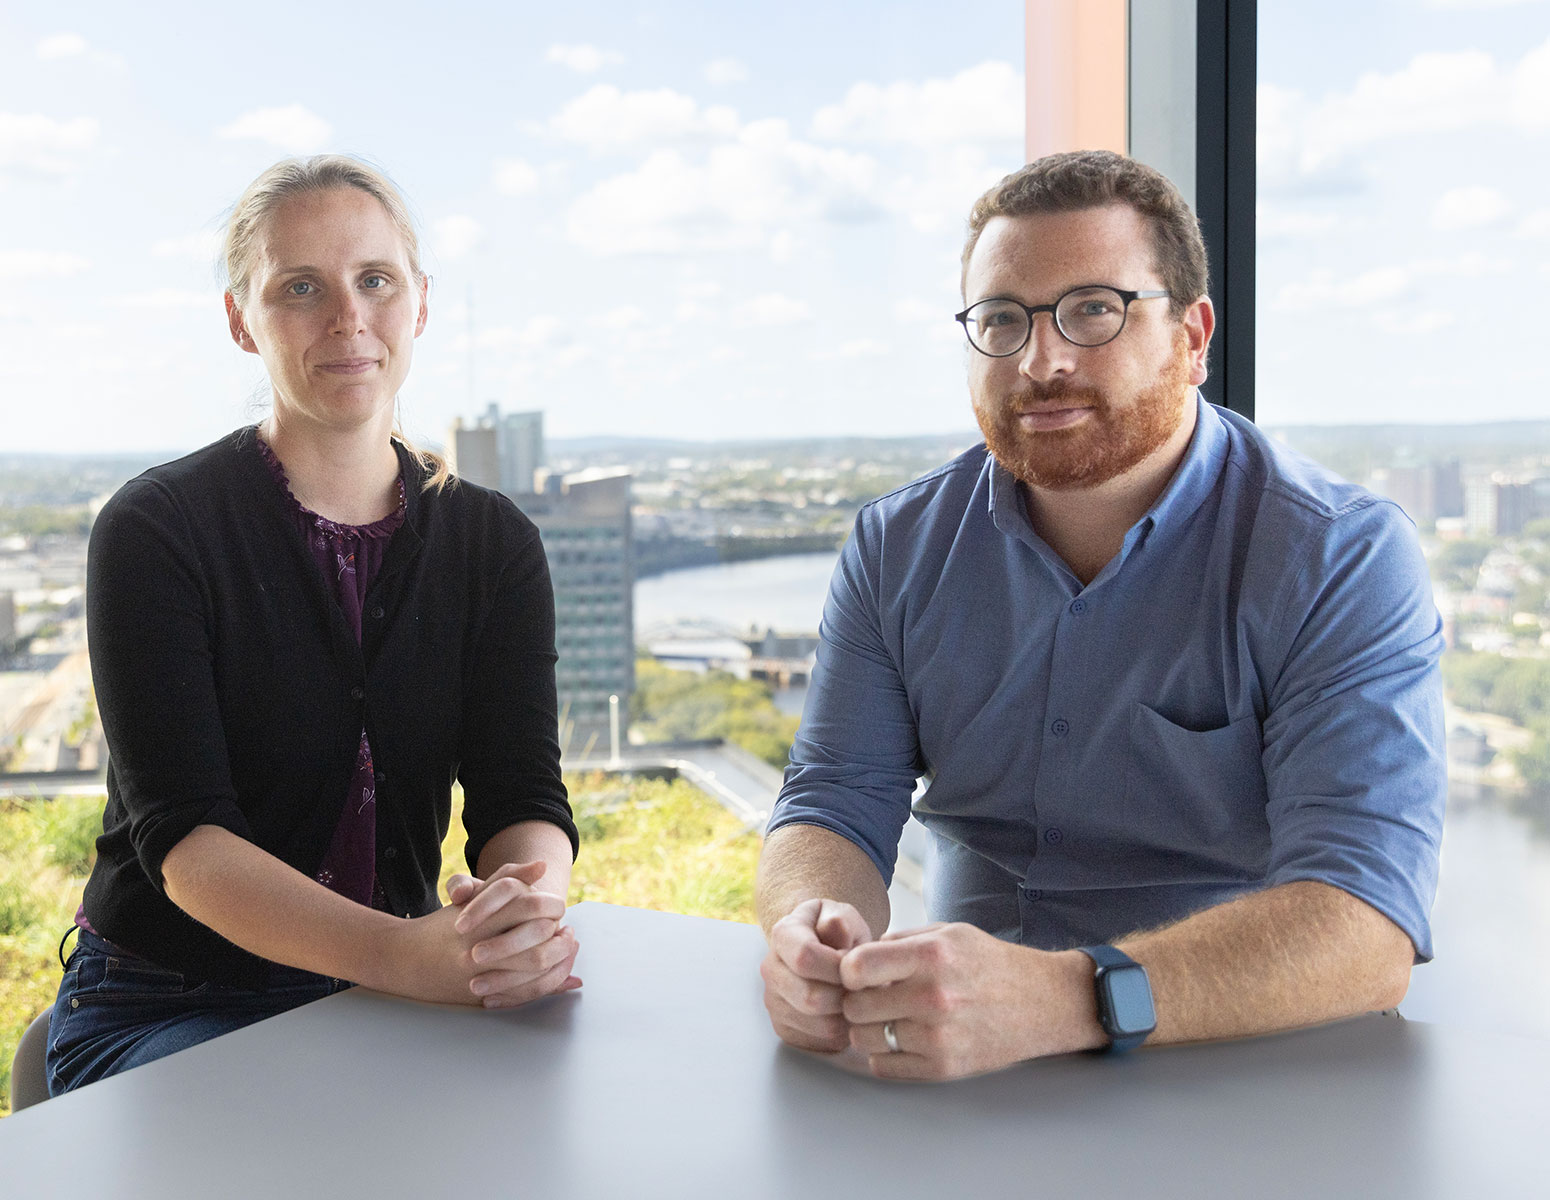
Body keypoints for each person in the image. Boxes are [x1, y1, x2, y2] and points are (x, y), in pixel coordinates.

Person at [756, 150, 1446, 1080]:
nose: (1040, 359)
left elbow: (1366, 919)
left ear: (1193, 337)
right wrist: (811, 924)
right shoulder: (898, 544)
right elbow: (834, 799)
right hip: (960, 1062)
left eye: (1093, 310)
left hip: (1237, 1065)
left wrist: (1064, 1000)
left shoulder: (1337, 554)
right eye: (1001, 320)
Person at [47, 155, 580, 1095]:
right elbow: (189, 848)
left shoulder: (494, 544)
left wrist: (516, 922)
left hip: (393, 997)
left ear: (418, 303)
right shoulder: (157, 530)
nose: (349, 318)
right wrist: (414, 958)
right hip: (170, 1001)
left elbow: (523, 799)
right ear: (239, 321)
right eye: (301, 287)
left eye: (376, 280)